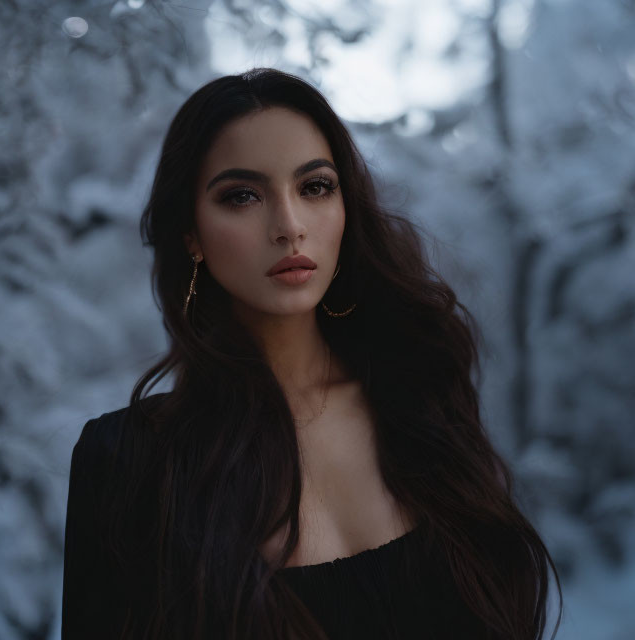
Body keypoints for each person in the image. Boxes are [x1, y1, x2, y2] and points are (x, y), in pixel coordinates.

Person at [61, 67, 563, 640]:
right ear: (191, 236)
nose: (290, 226)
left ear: (347, 208)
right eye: (242, 196)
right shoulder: (131, 461)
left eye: (315, 187)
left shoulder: (417, 394)